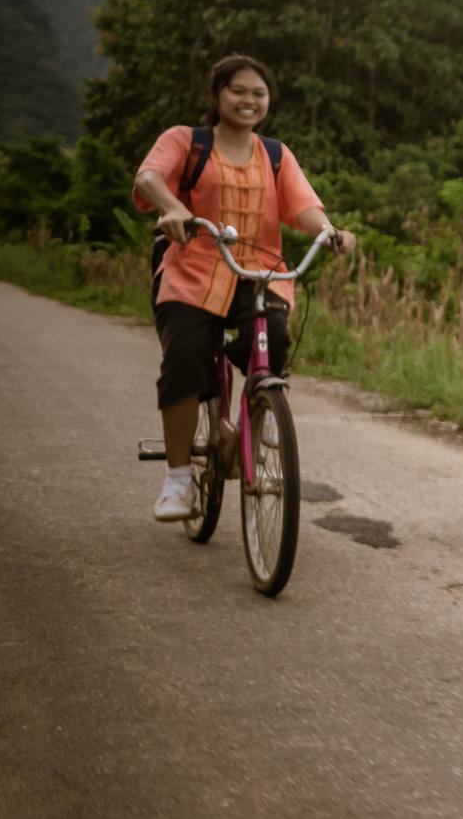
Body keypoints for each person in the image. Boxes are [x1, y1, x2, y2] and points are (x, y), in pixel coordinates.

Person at [134, 54, 355, 521]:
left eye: (259, 93)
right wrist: (173, 208)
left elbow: (304, 205)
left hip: (258, 272)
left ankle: (257, 409)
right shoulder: (185, 141)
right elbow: (148, 176)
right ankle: (177, 480)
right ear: (216, 95)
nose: (248, 100)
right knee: (186, 361)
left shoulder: (275, 153)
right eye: (238, 90)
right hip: (192, 273)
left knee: (274, 338)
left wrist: (329, 230)